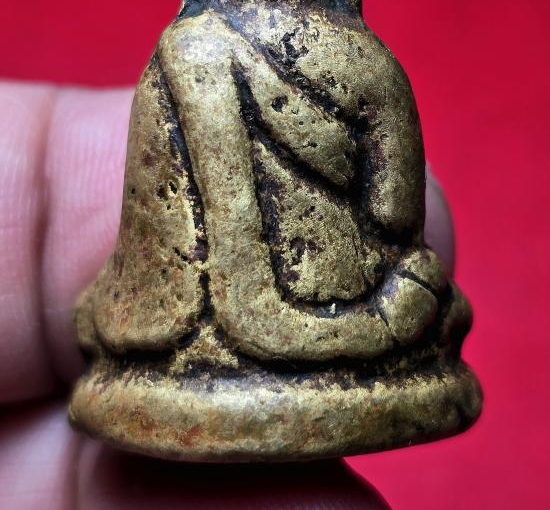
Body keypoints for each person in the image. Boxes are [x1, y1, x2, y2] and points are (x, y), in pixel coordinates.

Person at [0, 79, 454, 508]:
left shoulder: (192, 56)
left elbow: (392, 219)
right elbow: (392, 215)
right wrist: (381, 317)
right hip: (338, 313)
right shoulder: (361, 67)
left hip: (277, 322)